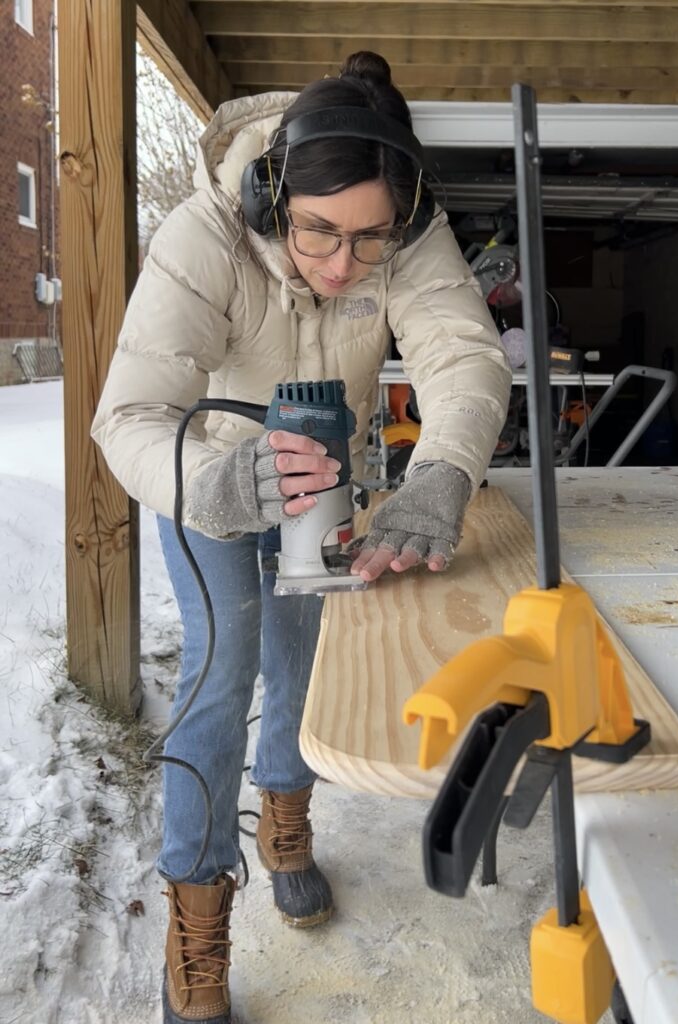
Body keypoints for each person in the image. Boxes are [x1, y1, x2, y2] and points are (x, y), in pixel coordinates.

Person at [92, 51, 511, 1024]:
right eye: (319, 232)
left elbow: (461, 354)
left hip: (324, 484)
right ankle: (196, 928)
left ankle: (286, 828)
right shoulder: (203, 233)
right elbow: (129, 415)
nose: (339, 264)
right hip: (209, 478)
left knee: (302, 663)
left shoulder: (405, 227)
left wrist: (441, 474)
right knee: (221, 670)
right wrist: (219, 482)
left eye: (369, 241)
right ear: (272, 190)